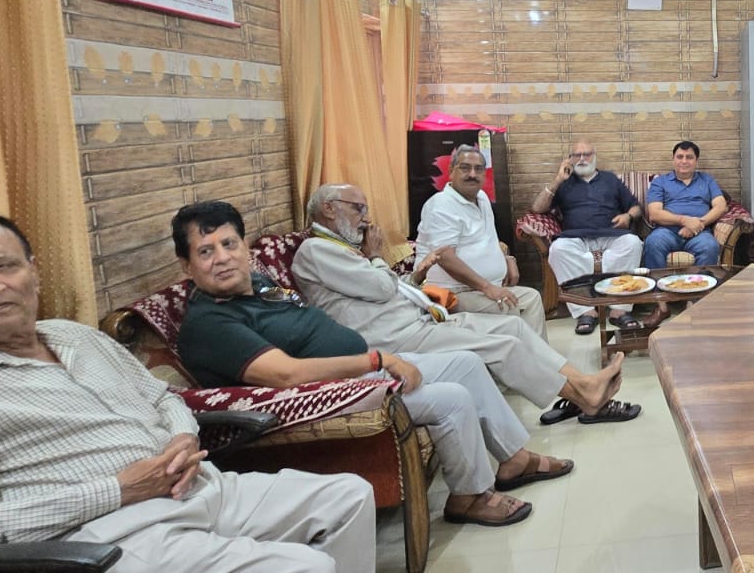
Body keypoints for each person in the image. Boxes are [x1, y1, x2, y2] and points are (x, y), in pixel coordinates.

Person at [0, 210, 377, 573]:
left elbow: (163, 398)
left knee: (350, 497)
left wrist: (182, 436)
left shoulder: (75, 336)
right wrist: (115, 491)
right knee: (307, 570)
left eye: (4, 266)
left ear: (33, 272)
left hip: (200, 486)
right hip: (110, 534)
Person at [171, 202, 579, 527]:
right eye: (206, 252)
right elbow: (284, 375)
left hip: (361, 367)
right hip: (329, 394)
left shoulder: (257, 286)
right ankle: (468, 497)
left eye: (230, 245)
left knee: (467, 364)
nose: (222, 258)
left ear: (245, 248)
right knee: (452, 397)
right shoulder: (211, 323)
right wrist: (376, 359)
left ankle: (514, 459)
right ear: (187, 267)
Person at [286, 191, 640, 425]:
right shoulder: (318, 251)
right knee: (504, 343)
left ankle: (584, 384)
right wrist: (376, 255)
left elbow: (386, 288)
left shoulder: (342, 249)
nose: (365, 218)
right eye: (357, 208)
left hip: (417, 318)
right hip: (393, 336)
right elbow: (379, 287)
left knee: (514, 327)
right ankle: (585, 395)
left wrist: (414, 276)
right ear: (328, 209)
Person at [416, 145, 546, 335]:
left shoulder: (482, 198)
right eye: (465, 168)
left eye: (478, 169)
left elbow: (487, 239)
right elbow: (445, 257)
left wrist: (507, 259)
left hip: (484, 288)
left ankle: (536, 353)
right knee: (507, 306)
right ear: (451, 171)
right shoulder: (440, 205)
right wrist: (487, 287)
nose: (472, 174)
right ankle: (519, 352)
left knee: (532, 298)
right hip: (453, 292)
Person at [529, 139, 645, 335]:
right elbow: (537, 208)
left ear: (594, 156)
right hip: (575, 237)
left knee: (633, 243)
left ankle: (619, 309)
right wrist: (558, 179)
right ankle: (585, 310)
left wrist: (628, 216)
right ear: (570, 158)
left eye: (587, 154)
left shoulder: (610, 179)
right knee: (557, 250)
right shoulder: (564, 182)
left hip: (610, 234)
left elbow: (636, 207)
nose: (582, 158)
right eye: (577, 155)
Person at [643, 140, 728, 269]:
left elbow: (721, 206)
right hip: (666, 232)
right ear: (673, 159)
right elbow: (654, 214)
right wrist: (684, 221)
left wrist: (698, 225)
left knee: (710, 246)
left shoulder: (707, 180)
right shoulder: (660, 182)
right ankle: (658, 282)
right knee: (653, 242)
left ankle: (700, 282)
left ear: (696, 161)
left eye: (689, 157)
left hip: (700, 233)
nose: (684, 161)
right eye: (679, 157)